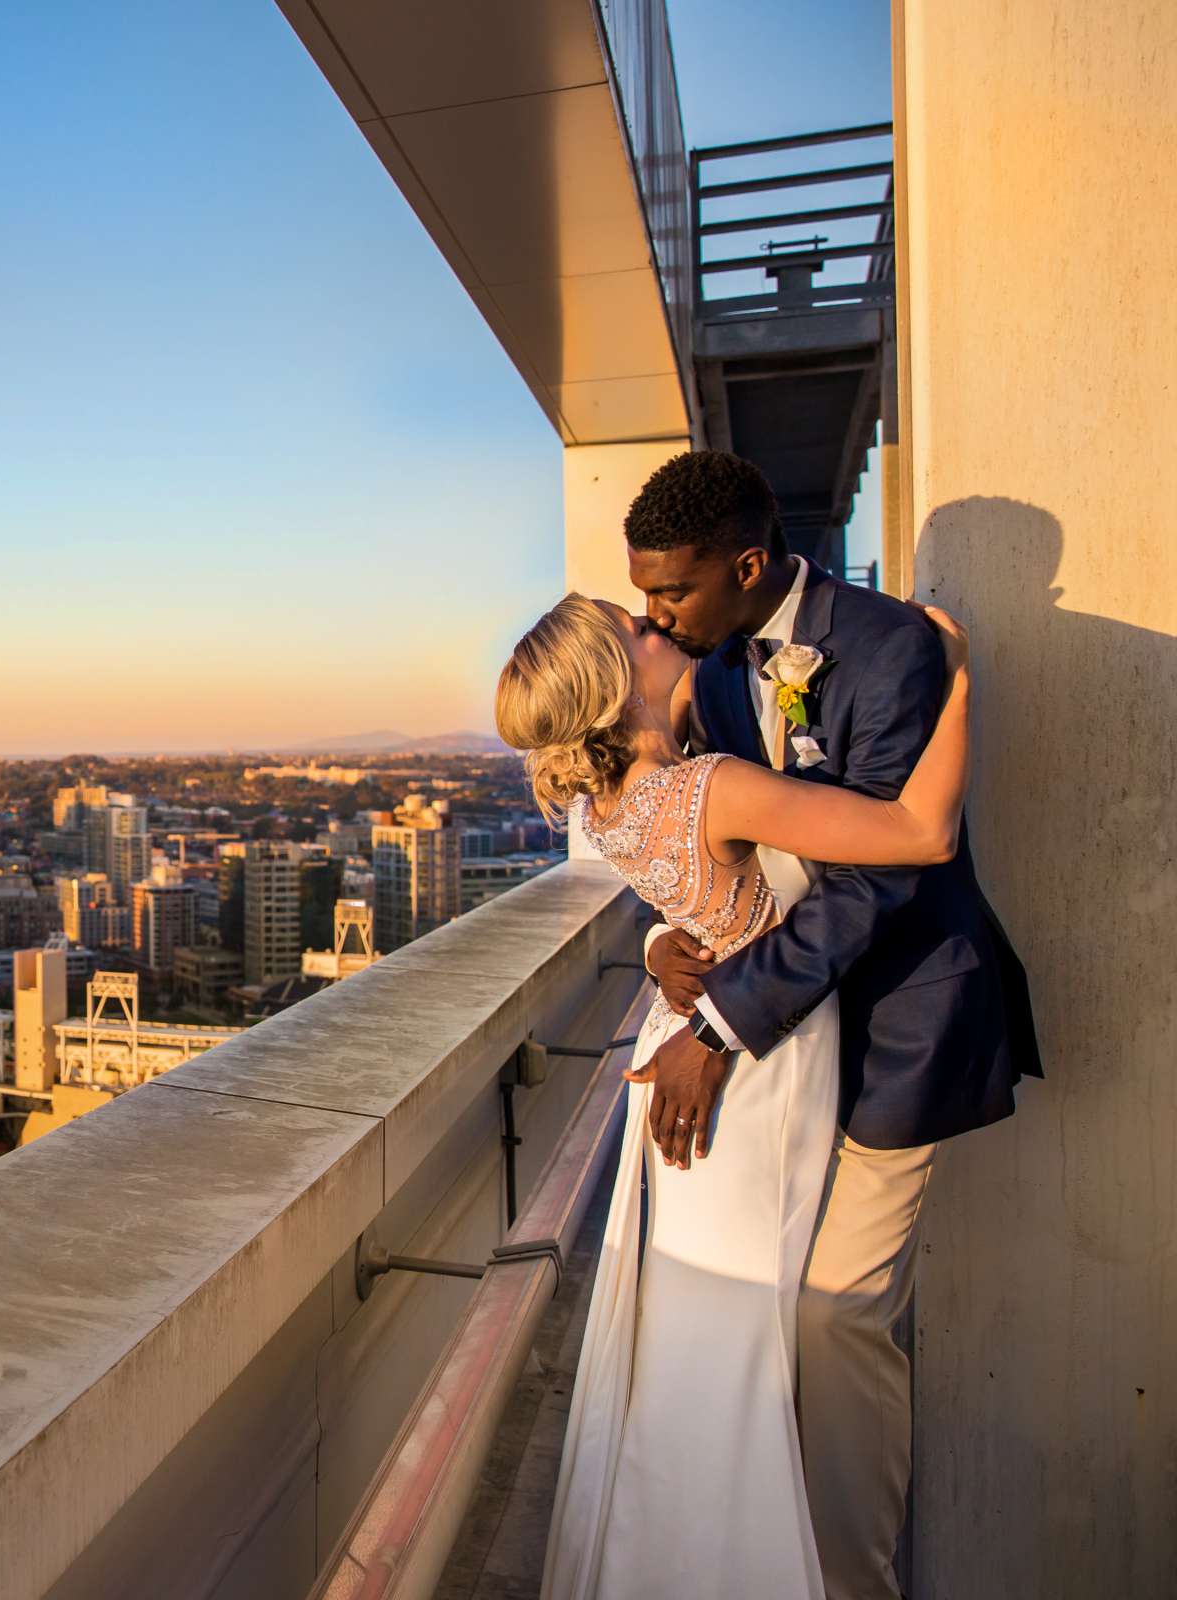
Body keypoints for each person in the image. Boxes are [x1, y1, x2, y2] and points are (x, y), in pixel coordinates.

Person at [499, 454, 1036, 1600]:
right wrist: (664, 949)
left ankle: (846, 1577)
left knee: (829, 1322)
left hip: (892, 1023)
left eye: (668, 598)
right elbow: (707, 862)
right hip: (773, 1044)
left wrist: (718, 1017)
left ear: (745, 566)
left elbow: (872, 878)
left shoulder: (886, 648)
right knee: (769, 1323)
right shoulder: (720, 681)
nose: (655, 617)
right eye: (639, 608)